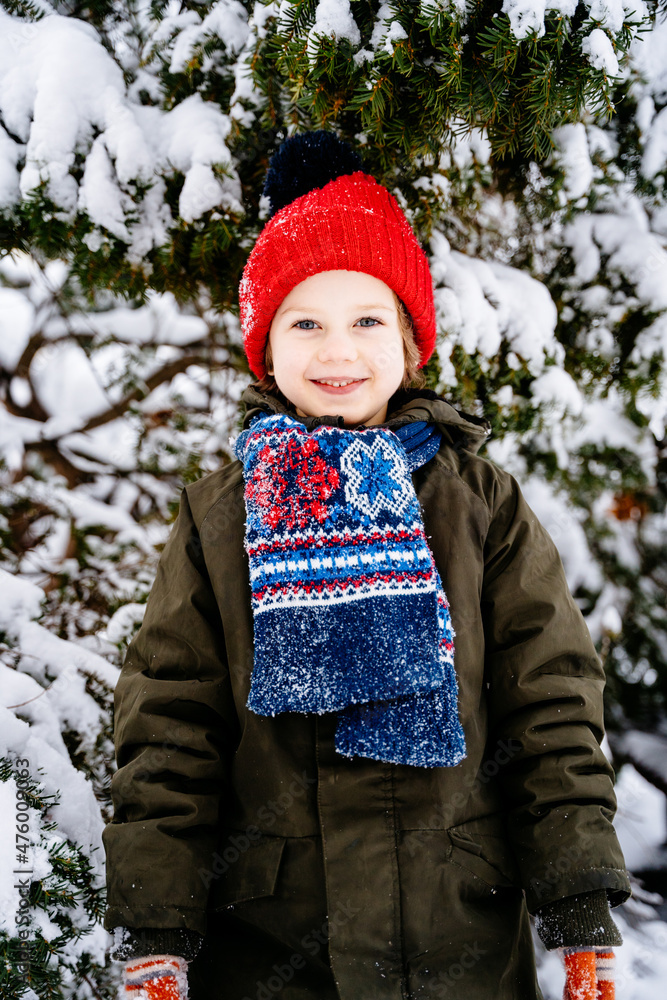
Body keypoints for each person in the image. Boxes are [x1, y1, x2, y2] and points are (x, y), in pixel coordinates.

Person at [104, 132, 630, 1000]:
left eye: (365, 321)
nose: (336, 351)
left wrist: (576, 902)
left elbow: (551, 702)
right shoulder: (220, 516)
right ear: (265, 347)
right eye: (303, 322)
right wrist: (158, 927)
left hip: (457, 931)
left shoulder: (475, 503)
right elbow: (169, 724)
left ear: (409, 341)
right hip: (273, 944)